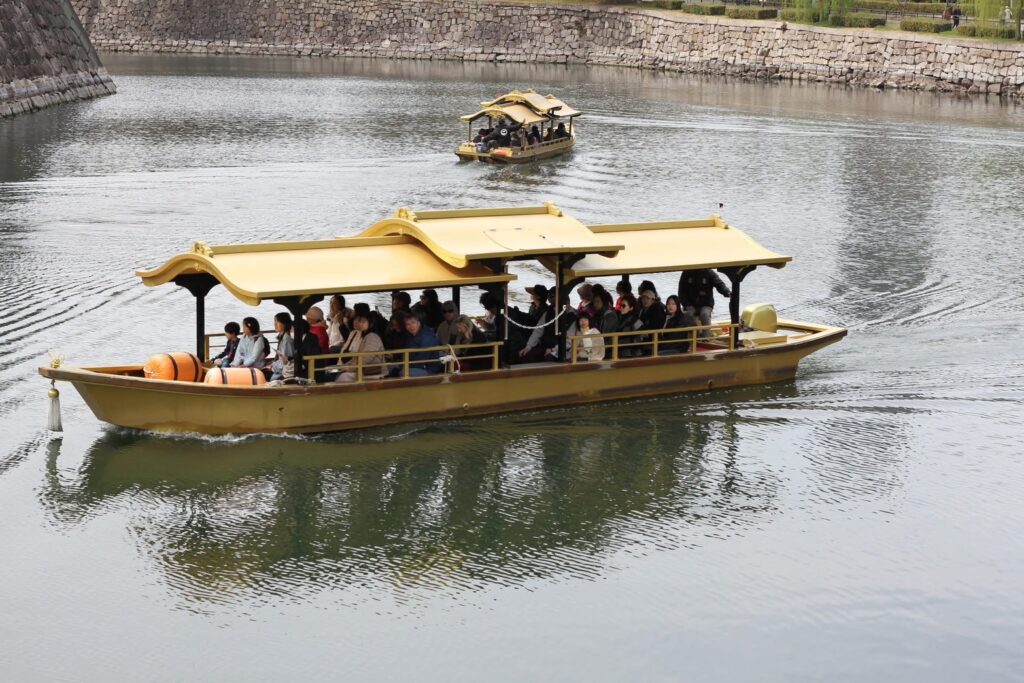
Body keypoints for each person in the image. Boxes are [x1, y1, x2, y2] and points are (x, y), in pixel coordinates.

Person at [677, 268, 731, 335]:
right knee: (688, 314)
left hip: (706, 304)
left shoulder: (709, 272)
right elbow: (681, 292)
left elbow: (719, 284)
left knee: (705, 314)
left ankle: (706, 337)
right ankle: (695, 334)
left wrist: (727, 292)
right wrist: (686, 304)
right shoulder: (686, 273)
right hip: (690, 304)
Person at [334, 313, 385, 382]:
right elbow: (356, 358)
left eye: (363, 322)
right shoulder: (364, 336)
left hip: (370, 372)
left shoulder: (372, 337)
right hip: (363, 370)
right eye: (359, 321)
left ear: (371, 324)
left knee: (342, 377)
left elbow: (366, 359)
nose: (360, 324)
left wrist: (348, 368)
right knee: (334, 374)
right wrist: (344, 366)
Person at [390, 312, 443, 377]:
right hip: (413, 365)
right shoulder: (410, 336)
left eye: (413, 323)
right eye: (408, 324)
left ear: (418, 323)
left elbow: (421, 360)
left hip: (428, 368)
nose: (411, 326)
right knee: (389, 367)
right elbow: (405, 354)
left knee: (403, 373)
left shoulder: (427, 337)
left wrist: (403, 367)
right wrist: (401, 365)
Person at [517, 288, 556, 363]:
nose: (549, 298)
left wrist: (553, 350)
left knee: (549, 357)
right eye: (549, 296)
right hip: (544, 343)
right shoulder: (547, 312)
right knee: (525, 354)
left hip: (558, 348)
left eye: (552, 296)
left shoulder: (570, 315)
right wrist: (528, 347)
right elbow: (538, 330)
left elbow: (568, 341)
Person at [637, 288, 666, 355]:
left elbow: (656, 326)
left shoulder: (657, 310)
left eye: (648, 298)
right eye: (643, 298)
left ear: (653, 300)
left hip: (654, 340)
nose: (645, 301)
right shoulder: (642, 311)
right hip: (644, 338)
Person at [268, 312, 295, 380]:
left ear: (285, 323)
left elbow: (286, 361)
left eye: (277, 322)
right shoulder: (283, 337)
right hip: (281, 369)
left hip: (287, 371)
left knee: (270, 378)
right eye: (275, 321)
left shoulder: (287, 339)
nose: (275, 324)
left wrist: (272, 367)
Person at [616, 293, 643, 358]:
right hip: (620, 350)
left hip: (631, 353)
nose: (621, 308)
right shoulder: (621, 319)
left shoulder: (636, 321)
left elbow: (640, 339)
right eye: (620, 305)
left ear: (631, 308)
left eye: (623, 306)